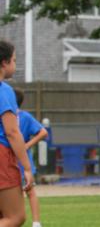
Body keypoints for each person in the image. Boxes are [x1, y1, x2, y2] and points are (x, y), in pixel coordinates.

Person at [0, 39, 34, 227]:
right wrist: (27, 167)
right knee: (15, 217)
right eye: (13, 60)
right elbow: (12, 131)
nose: (15, 64)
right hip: (2, 156)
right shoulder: (4, 91)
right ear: (4, 63)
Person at [13, 87, 48, 227]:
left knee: (30, 190)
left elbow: (43, 132)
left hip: (22, 161)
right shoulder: (4, 116)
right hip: (6, 160)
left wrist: (27, 145)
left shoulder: (24, 117)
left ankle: (36, 223)